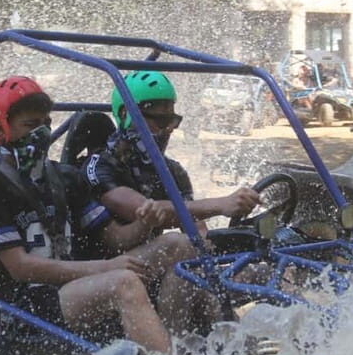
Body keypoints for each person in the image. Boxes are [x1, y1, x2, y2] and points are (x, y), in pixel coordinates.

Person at [0, 76, 172, 355]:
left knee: (178, 247)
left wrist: (146, 221)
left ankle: (190, 352)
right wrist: (106, 268)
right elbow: (21, 267)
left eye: (45, 124)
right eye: (30, 125)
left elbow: (117, 240)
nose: (41, 133)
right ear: (1, 129)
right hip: (23, 308)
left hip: (74, 287)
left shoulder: (63, 177)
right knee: (123, 282)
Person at [82, 70, 261, 332]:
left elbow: (198, 235)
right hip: (105, 271)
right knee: (178, 250)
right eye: (157, 118)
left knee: (202, 270)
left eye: (172, 120)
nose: (167, 129)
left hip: (154, 266)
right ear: (125, 116)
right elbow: (142, 208)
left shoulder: (172, 170)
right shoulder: (100, 166)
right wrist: (221, 203)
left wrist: (238, 254)